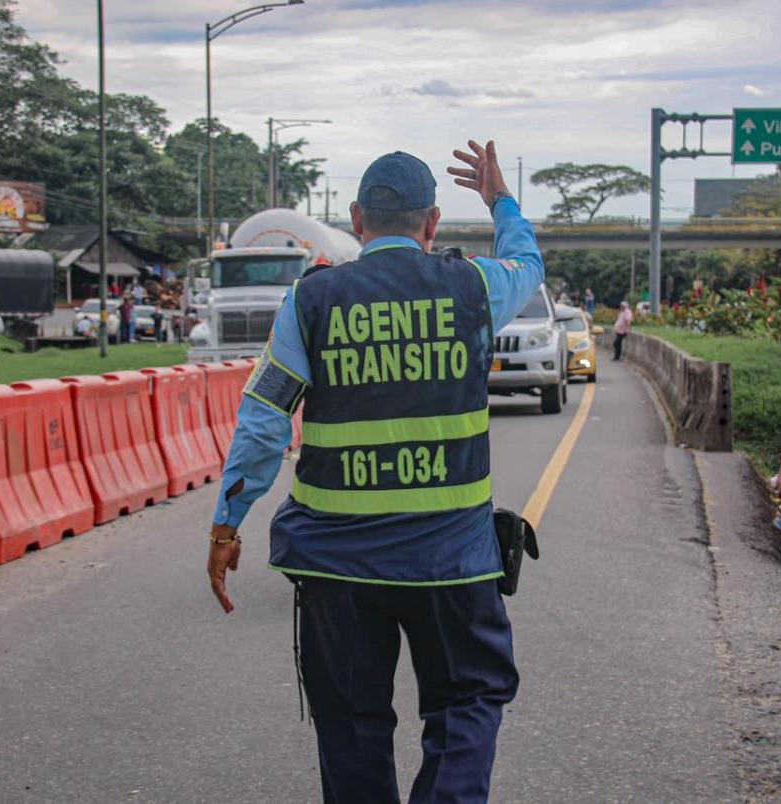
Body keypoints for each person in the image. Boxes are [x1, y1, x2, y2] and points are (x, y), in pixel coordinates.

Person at [206, 142, 543, 804]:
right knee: (469, 699)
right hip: (452, 563)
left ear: (357, 220)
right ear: (433, 223)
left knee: (351, 725)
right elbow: (528, 264)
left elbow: (264, 421)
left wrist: (227, 522)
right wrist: (501, 199)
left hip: (338, 568)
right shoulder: (473, 287)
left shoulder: (311, 300)